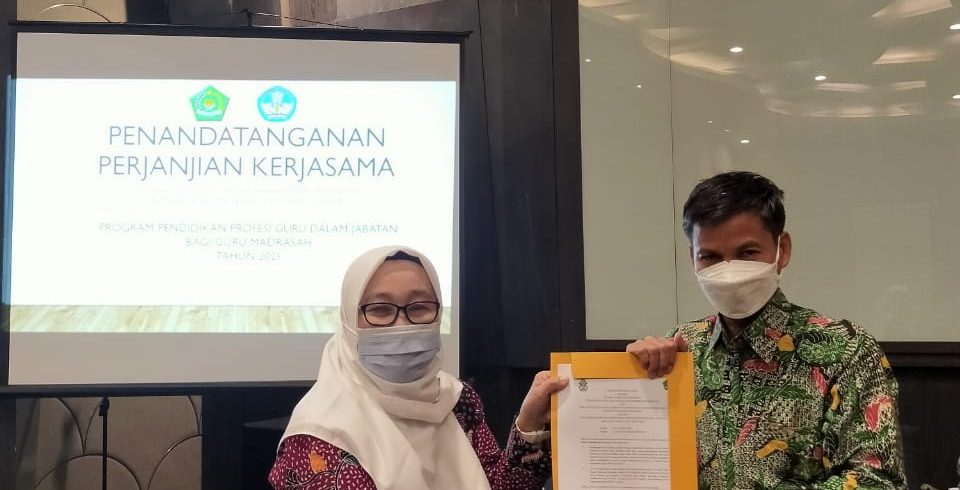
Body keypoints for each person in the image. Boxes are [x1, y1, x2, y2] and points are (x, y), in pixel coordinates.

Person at [627, 171, 906, 489]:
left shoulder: (844, 349)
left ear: (781, 249)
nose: (728, 271)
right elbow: (637, 465)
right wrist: (632, 380)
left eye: (747, 253)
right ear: (693, 258)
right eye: (710, 257)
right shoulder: (681, 349)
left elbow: (878, 480)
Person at [269, 246, 566, 490]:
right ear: (349, 320)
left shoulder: (457, 401)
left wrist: (528, 426)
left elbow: (495, 485)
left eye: (420, 307)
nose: (402, 325)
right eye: (380, 310)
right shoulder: (320, 435)